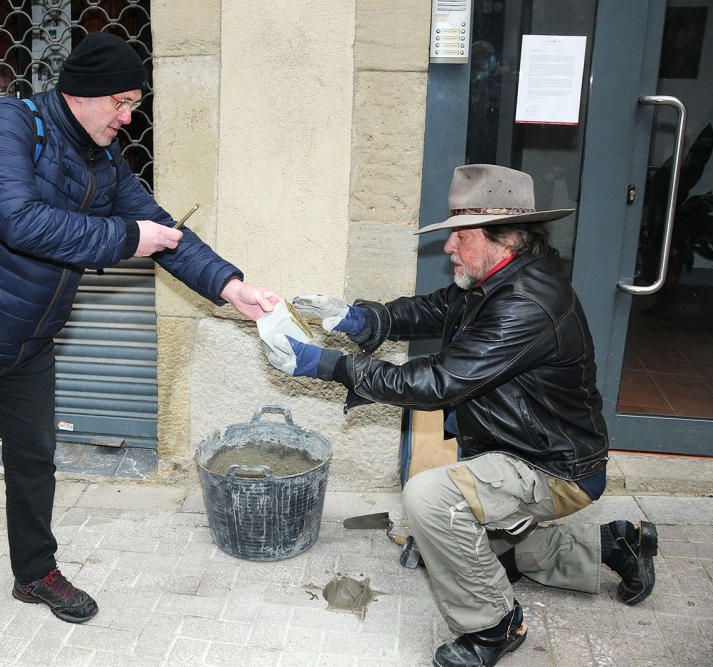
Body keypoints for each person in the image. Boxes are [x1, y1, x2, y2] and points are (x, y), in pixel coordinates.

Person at [0, 32, 278, 661]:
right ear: (85, 94)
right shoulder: (7, 129)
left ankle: (33, 572)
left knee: (34, 463)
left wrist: (230, 284)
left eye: (134, 103)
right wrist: (123, 238)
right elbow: (21, 221)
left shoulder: (103, 161)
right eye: (124, 102)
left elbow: (161, 230)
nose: (129, 117)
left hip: (25, 342)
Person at [261, 164, 657, 667]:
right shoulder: (500, 277)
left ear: (504, 238)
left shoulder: (525, 304)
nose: (449, 247)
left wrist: (326, 363)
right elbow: (432, 309)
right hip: (519, 450)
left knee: (430, 501)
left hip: (553, 468)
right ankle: (615, 543)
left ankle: (495, 626)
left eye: (460, 237)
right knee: (493, 553)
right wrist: (359, 318)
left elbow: (435, 382)